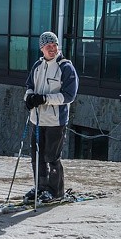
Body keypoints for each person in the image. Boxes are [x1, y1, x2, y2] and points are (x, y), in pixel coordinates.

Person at [23, 31, 79, 204]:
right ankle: (41, 187)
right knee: (37, 156)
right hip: (37, 119)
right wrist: (29, 98)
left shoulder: (65, 67)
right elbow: (29, 86)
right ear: (42, 49)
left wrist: (45, 99)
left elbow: (69, 96)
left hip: (56, 121)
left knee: (52, 157)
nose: (52, 49)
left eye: (55, 45)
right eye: (48, 46)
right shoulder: (38, 66)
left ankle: (56, 191)